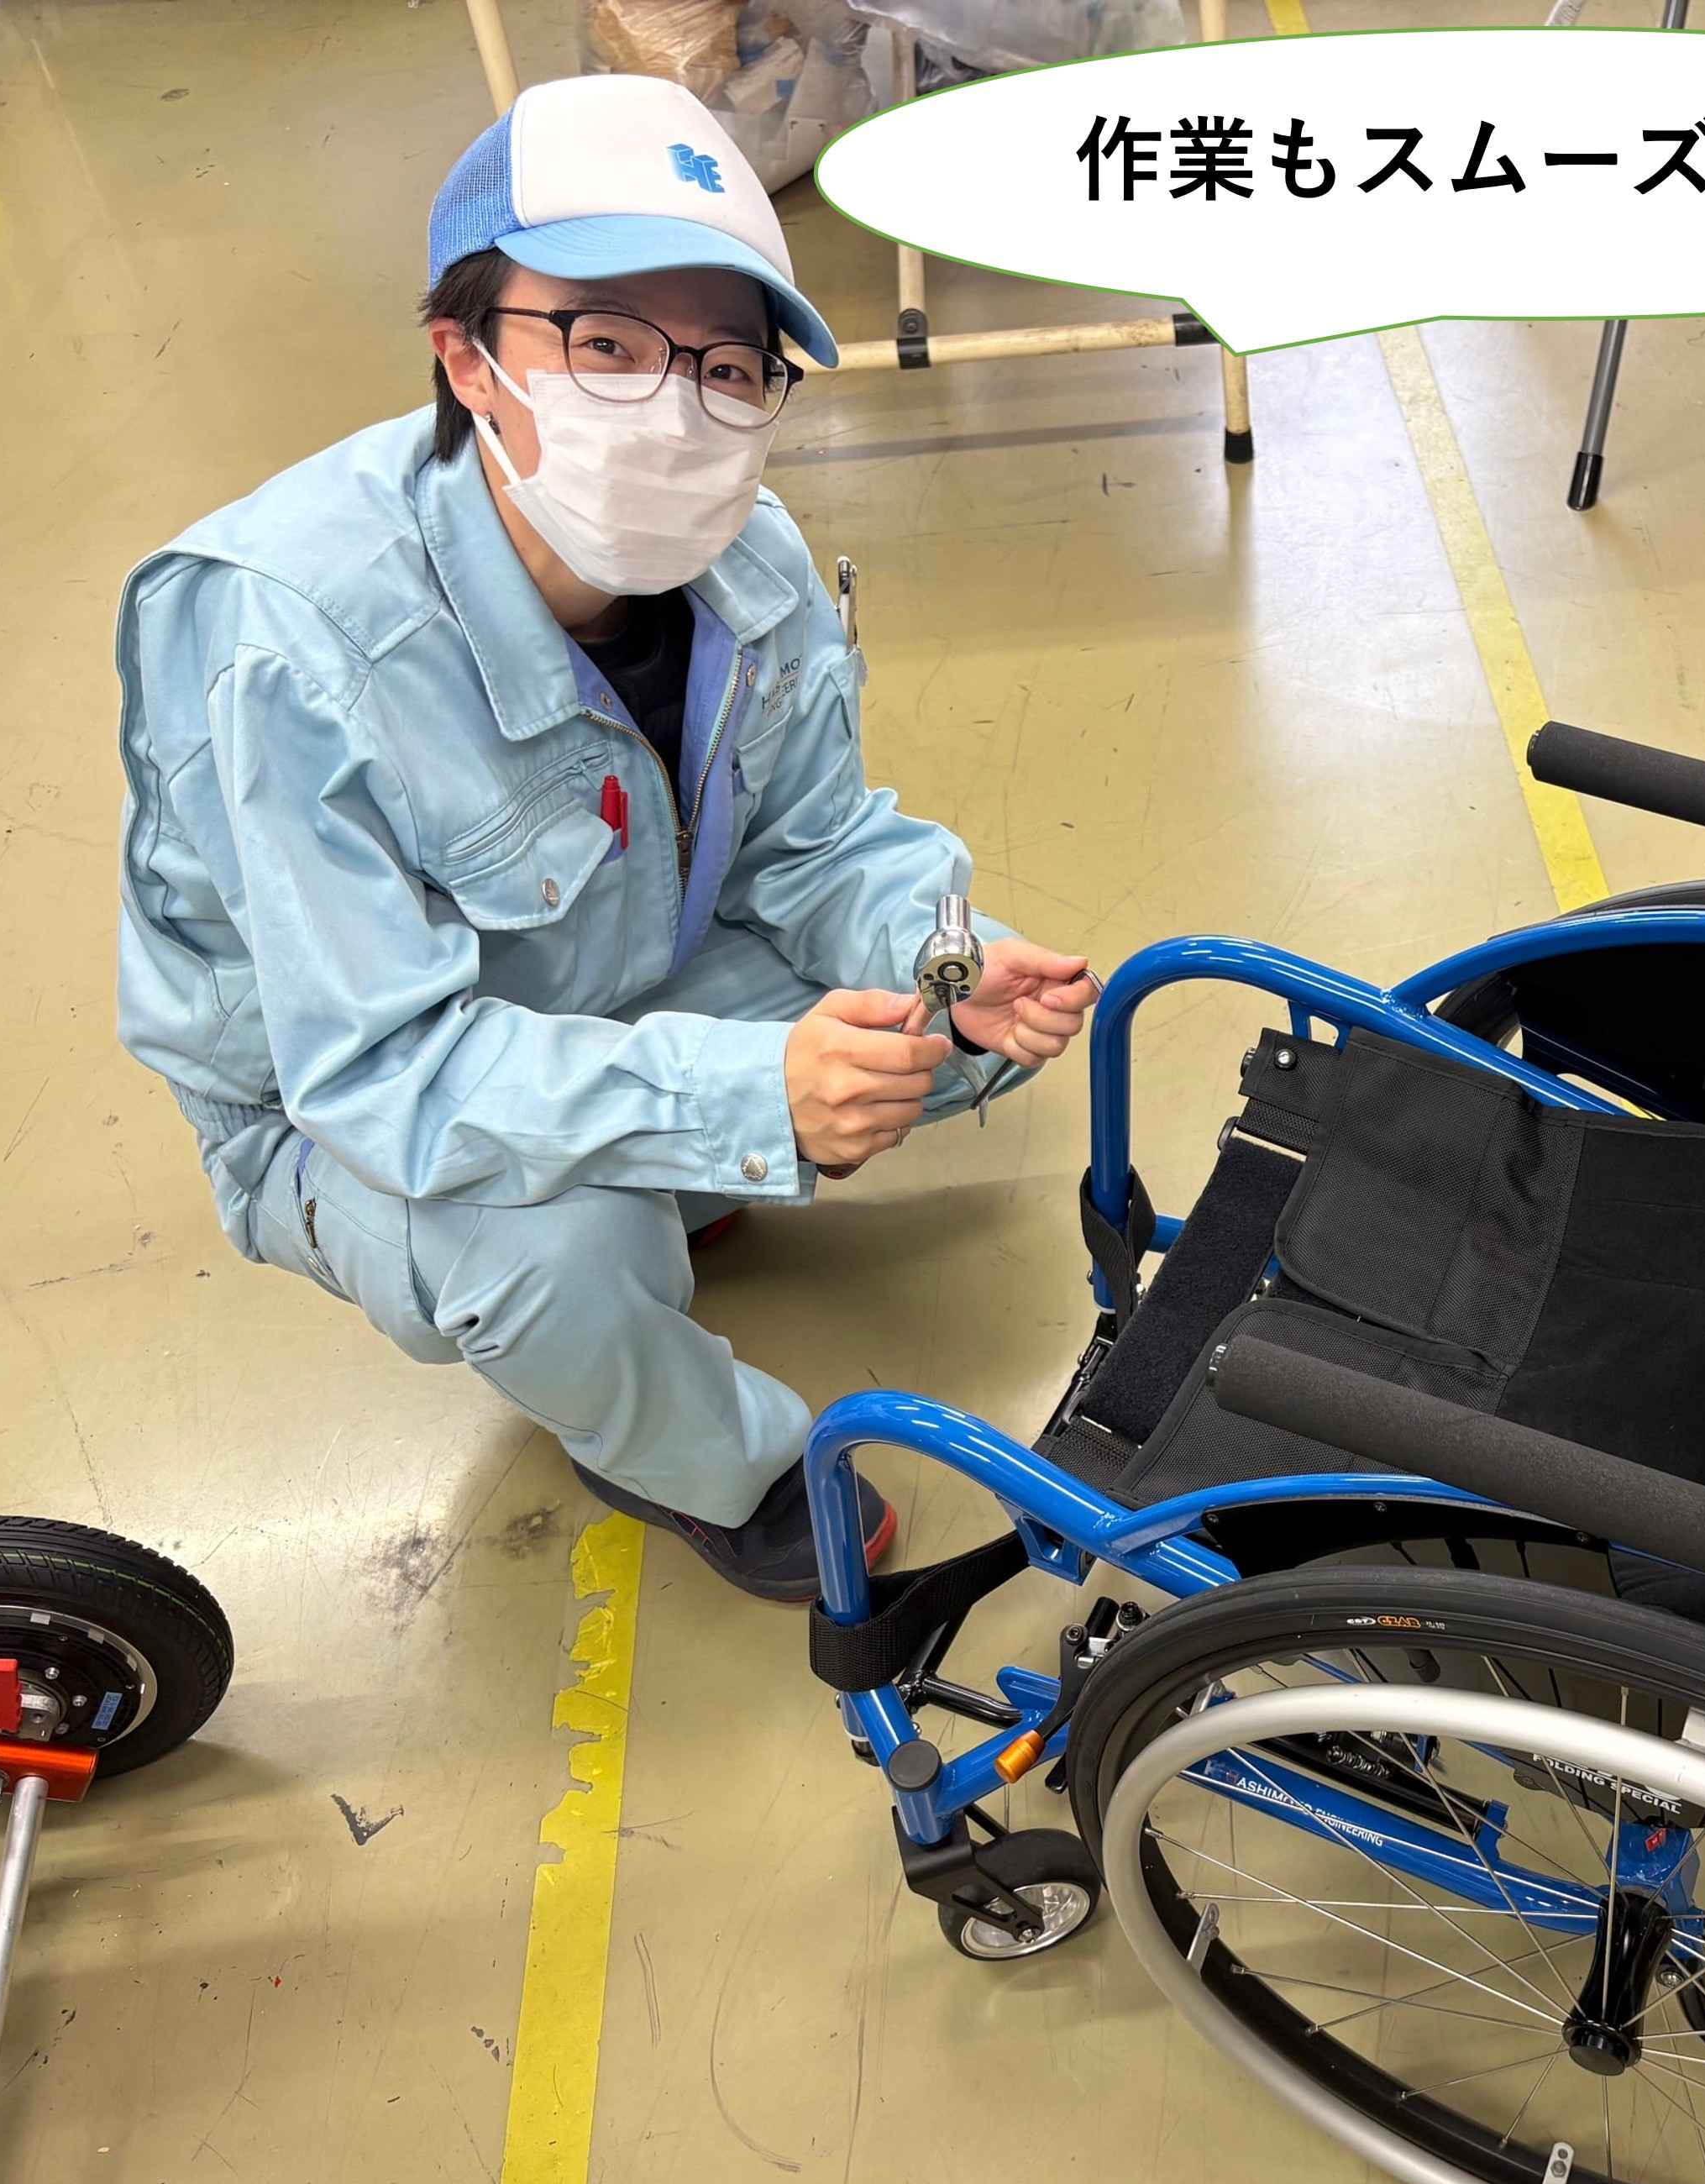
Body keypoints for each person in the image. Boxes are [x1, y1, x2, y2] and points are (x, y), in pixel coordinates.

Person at [113, 76, 1099, 1601]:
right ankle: (700, 1455)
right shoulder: (287, 641)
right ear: (466, 355)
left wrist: (944, 952)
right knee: (554, 1255)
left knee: (941, 1029)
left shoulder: (744, 555)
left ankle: (675, 1179)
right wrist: (744, 1093)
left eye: (727, 365)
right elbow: (377, 1071)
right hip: (337, 1105)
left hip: (613, 971)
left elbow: (813, 843)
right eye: (607, 345)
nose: (676, 410)